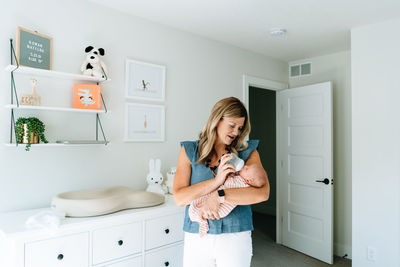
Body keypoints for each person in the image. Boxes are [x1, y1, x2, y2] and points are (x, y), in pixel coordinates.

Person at [173, 97, 270, 267]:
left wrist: (220, 196)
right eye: (232, 125)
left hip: (235, 235)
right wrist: (217, 181)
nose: (236, 132)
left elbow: (262, 193)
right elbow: (180, 198)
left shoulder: (246, 151)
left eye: (240, 128)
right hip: (197, 236)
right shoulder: (189, 151)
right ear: (217, 121)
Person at [189, 163, 266, 236]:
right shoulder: (242, 179)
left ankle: (202, 221)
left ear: (248, 181)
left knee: (205, 209)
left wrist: (231, 174)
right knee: (203, 204)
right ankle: (202, 220)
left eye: (247, 169)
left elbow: (228, 183)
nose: (245, 166)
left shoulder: (242, 183)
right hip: (222, 205)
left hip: (223, 208)